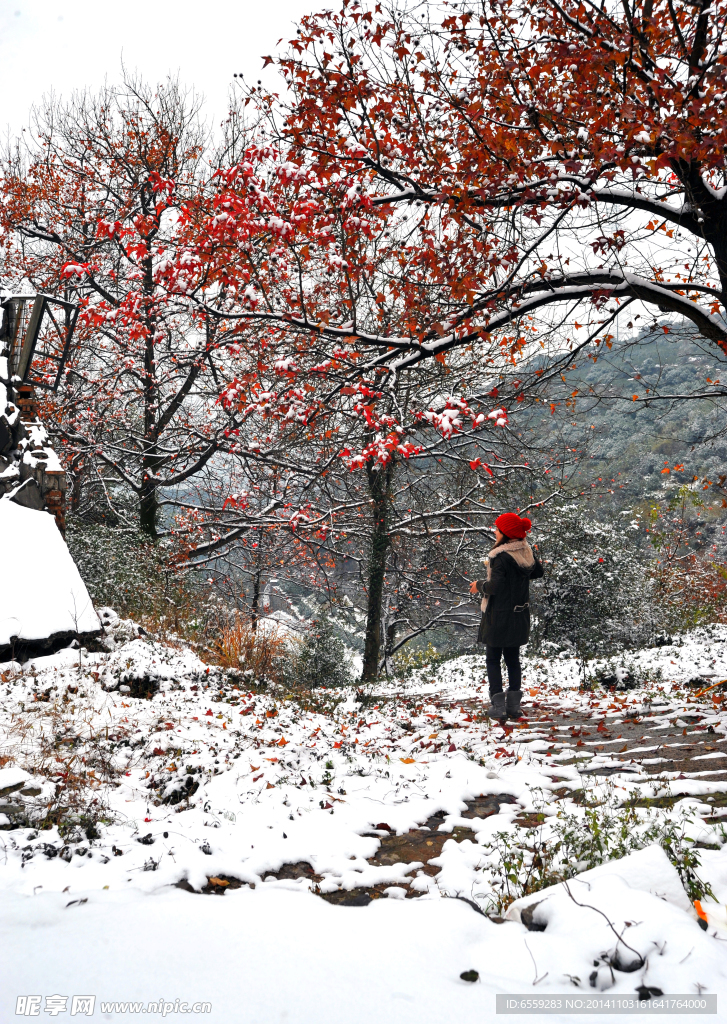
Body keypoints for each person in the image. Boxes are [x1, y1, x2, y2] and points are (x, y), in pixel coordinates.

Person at [469, 513, 543, 722]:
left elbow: (495, 587)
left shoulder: (500, 556)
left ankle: (498, 706)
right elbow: (537, 573)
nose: (495, 531)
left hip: (499, 616)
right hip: (519, 616)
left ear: (505, 534)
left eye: (497, 529)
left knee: (493, 659)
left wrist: (479, 585)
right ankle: (514, 707)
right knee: (512, 660)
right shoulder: (524, 551)